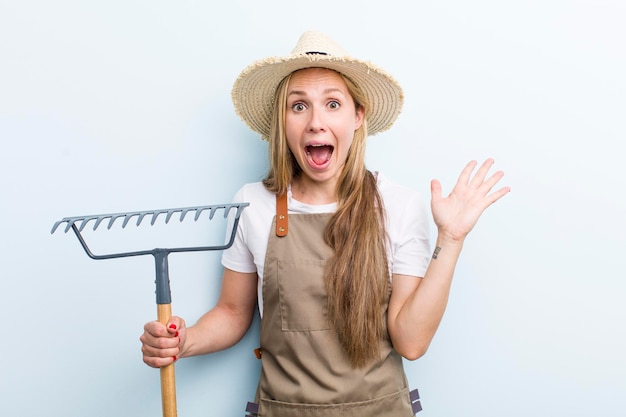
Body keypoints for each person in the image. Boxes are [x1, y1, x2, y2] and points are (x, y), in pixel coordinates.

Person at [140, 30, 510, 416]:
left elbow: (411, 342)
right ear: (282, 120)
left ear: (357, 116)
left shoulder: (398, 205)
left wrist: (449, 239)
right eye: (298, 106)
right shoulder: (253, 204)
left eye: (332, 104)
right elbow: (233, 313)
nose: (316, 122)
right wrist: (185, 341)